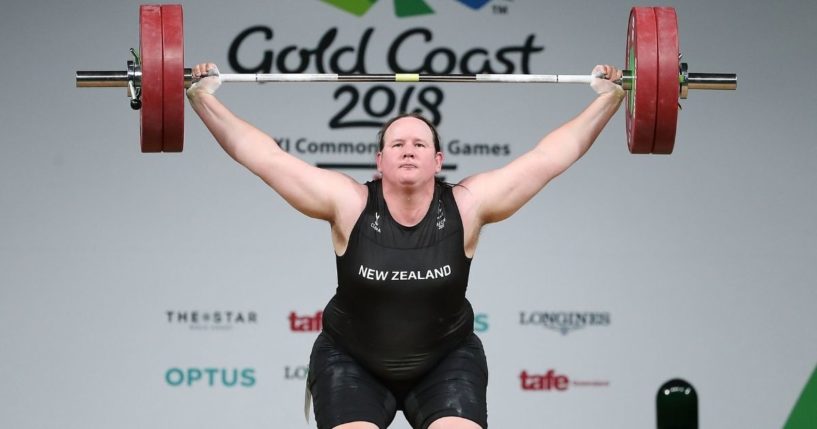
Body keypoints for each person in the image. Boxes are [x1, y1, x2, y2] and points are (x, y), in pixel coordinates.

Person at [186, 63, 624, 429]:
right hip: (350, 359)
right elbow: (265, 158)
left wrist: (610, 98)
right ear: (379, 162)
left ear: (438, 160)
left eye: (419, 143)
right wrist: (202, 97)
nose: (408, 149)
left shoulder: (469, 206)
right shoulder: (349, 203)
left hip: (445, 360)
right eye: (396, 143)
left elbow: (548, 159)